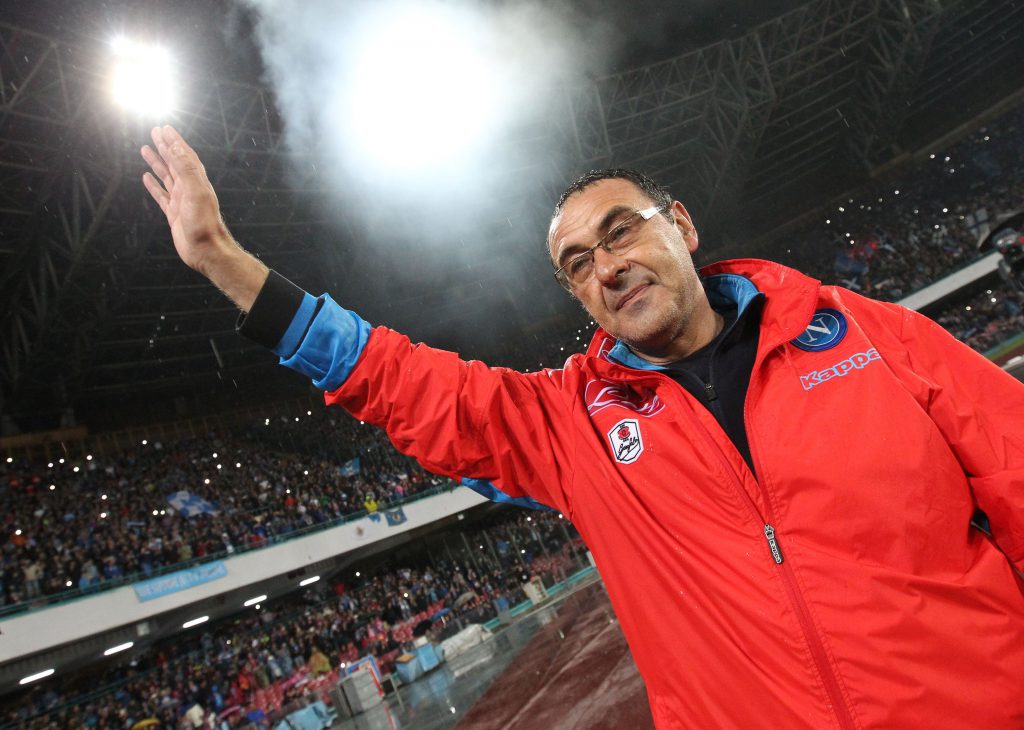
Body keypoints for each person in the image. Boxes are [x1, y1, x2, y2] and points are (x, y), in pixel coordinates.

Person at [141, 125, 1024, 728]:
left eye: (621, 231)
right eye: (578, 263)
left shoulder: (865, 332)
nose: (607, 265)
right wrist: (226, 263)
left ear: (679, 224)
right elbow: (401, 382)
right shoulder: (574, 426)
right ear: (576, 296)